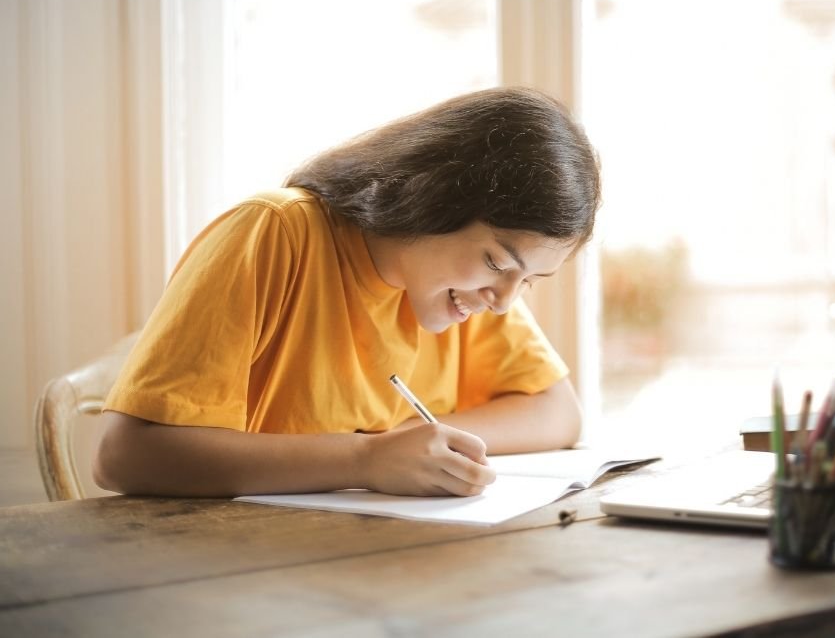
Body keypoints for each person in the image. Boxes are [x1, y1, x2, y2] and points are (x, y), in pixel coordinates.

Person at [93, 86, 601, 499]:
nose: (505, 301)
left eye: (528, 281)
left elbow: (558, 412)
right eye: (496, 263)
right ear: (433, 199)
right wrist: (366, 460)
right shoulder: (275, 233)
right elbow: (124, 456)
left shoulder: (469, 291)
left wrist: (417, 442)